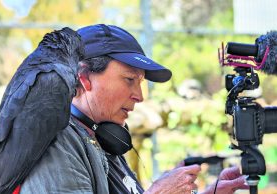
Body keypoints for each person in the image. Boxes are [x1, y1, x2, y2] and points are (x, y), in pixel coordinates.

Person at [18, 24, 248, 193]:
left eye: (141, 83)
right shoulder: (57, 143)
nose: (139, 96)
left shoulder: (104, 136)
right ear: (83, 77)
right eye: (129, 80)